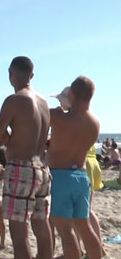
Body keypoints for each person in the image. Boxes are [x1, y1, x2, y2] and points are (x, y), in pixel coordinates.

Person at [0, 56, 52, 259]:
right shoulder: (44, 102)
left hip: (20, 168)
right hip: (42, 168)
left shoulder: (14, 100)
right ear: (32, 75)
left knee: (20, 236)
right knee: (42, 229)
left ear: (11, 75)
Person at [47, 77, 102, 259]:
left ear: (71, 94)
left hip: (61, 177)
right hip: (81, 175)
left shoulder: (58, 117)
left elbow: (40, 121)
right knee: (85, 228)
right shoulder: (94, 122)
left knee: (65, 231)